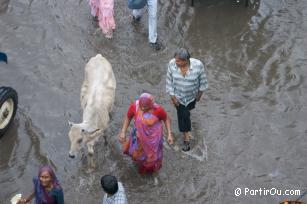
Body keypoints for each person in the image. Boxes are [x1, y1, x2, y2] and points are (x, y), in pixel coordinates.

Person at [118, 93, 174, 174]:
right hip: (138, 137)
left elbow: (166, 119)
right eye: (142, 106)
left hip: (153, 138)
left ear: (151, 104)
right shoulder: (135, 106)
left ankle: (148, 170)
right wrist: (123, 131)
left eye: (146, 107)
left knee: (151, 158)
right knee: (136, 154)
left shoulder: (158, 110)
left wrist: (169, 133)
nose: (143, 108)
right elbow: (128, 117)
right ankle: (139, 164)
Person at [166, 48, 208, 152]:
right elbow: (169, 81)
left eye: (178, 61)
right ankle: (186, 138)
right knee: (183, 117)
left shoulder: (198, 65)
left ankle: (187, 114)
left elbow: (203, 82)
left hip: (192, 97)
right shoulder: (172, 64)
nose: (176, 62)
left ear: (186, 60)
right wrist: (172, 96)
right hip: (178, 98)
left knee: (187, 111)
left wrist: (199, 95)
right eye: (176, 60)